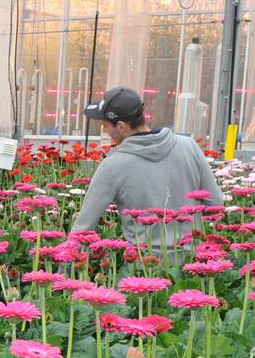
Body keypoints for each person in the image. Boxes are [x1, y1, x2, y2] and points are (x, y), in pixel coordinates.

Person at [70, 86, 223, 247]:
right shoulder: (189, 146)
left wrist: (65, 267)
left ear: (121, 126)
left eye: (105, 125)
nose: (104, 130)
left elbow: (83, 227)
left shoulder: (112, 165)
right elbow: (216, 204)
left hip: (142, 265)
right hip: (191, 262)